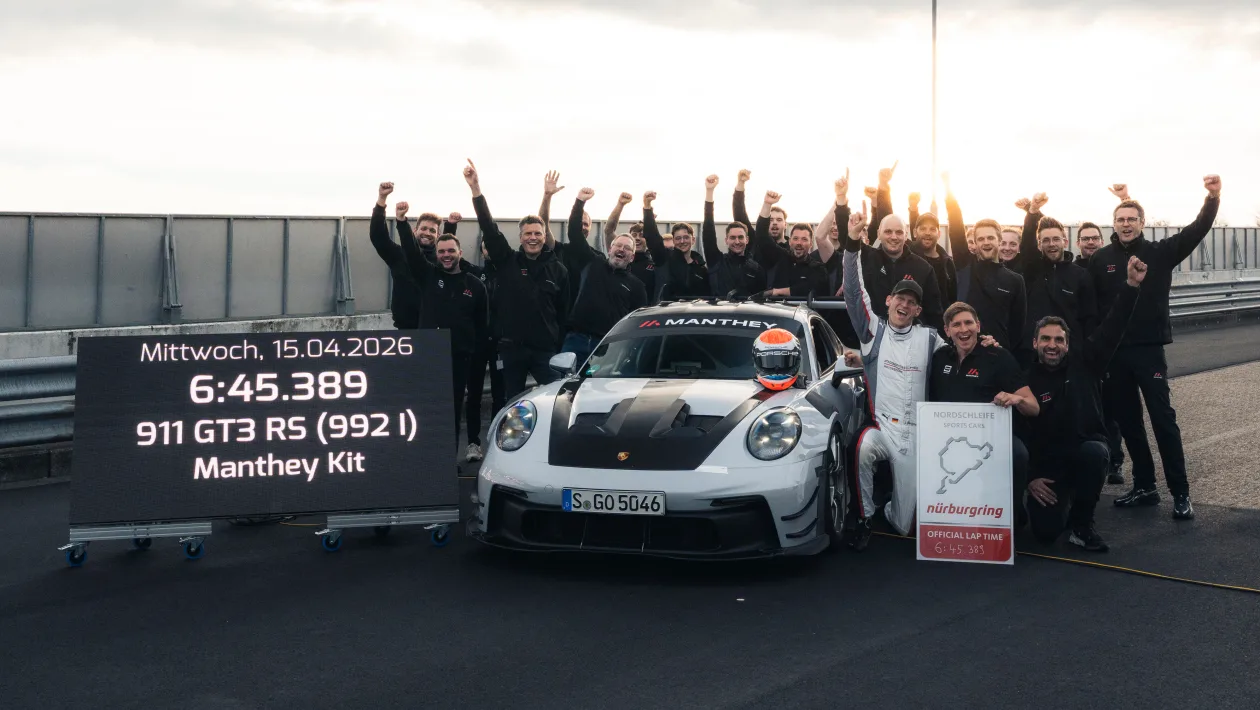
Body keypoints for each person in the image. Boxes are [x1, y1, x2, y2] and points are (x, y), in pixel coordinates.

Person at [1090, 174, 1222, 519]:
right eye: (1121, 219)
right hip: (1115, 354)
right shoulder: (1100, 259)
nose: (1126, 224)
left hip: (1148, 351)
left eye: (1132, 219)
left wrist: (1212, 198)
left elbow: (1196, 230)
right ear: (1113, 224)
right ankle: (1145, 486)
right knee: (1129, 423)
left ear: (1142, 223)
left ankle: (1180, 493)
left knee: (1163, 420)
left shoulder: (1160, 252)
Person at [1022, 255, 1148, 553]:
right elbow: (1017, 434)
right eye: (1045, 339)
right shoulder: (1023, 379)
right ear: (1035, 343)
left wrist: (1131, 285)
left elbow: (1113, 326)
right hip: (1049, 468)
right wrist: (1030, 478)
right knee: (1045, 533)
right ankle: (1060, 502)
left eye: (1059, 340)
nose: (1052, 345)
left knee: (1095, 452)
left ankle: (1082, 524)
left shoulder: (1087, 363)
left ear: (1067, 344)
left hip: (1083, 454)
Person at [840, 203, 947, 549]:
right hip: (882, 427)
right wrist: (851, 245)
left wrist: (985, 344)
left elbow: (962, 355)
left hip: (916, 434)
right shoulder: (874, 332)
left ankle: (891, 509)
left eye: (912, 302)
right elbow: (854, 293)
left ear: (918, 309)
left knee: (904, 527)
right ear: (887, 300)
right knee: (861, 448)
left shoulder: (930, 338)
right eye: (899, 298)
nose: (904, 305)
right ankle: (863, 517)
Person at [373, 185, 489, 462]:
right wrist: (399, 220)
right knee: (418, 402)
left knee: (452, 407)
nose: (446, 254)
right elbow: (411, 253)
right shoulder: (425, 273)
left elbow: (481, 323)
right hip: (420, 343)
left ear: (460, 252)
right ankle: (418, 457)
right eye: (442, 251)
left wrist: (475, 353)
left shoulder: (474, 284)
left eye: (451, 250)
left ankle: (448, 459)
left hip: (458, 352)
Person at [463, 159, 570, 402]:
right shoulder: (506, 261)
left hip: (546, 352)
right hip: (511, 350)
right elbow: (489, 228)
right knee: (510, 402)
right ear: (520, 237)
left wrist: (559, 347)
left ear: (544, 236)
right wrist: (476, 189)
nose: (533, 238)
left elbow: (564, 314)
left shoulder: (559, 270)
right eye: (528, 233)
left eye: (538, 233)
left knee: (557, 400)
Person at [930, 302, 1040, 524]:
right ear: (947, 331)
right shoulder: (939, 357)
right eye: (956, 325)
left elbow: (1033, 407)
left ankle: (1012, 513)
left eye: (968, 323)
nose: (964, 330)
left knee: (1018, 453)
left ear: (978, 326)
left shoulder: (998, 356)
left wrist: (1016, 399)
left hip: (991, 438)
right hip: (948, 438)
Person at [816, 169, 944, 330]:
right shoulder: (867, 257)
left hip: (909, 338)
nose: (894, 237)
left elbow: (934, 313)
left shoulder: (923, 268)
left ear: (906, 235)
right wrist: (841, 200)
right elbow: (847, 238)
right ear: (878, 234)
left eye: (899, 232)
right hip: (873, 336)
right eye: (888, 232)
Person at [559, 188, 648, 366]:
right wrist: (580, 202)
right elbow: (575, 233)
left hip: (610, 347)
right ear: (609, 249)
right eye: (618, 245)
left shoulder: (637, 286)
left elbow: (638, 321)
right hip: (577, 340)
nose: (621, 249)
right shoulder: (593, 262)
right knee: (565, 381)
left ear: (632, 257)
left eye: (627, 248)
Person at [1010, 193, 1098, 367]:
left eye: (1056, 239)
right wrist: (1032, 212)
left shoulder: (1081, 275)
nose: (1051, 244)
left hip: (1069, 358)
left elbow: (1089, 319)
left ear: (1065, 242)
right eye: (1046, 240)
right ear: (1039, 244)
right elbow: (1027, 243)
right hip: (1033, 358)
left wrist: (1084, 353)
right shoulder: (1032, 270)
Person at [944, 172, 1027, 350]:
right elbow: (956, 228)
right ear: (975, 243)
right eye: (981, 239)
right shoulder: (965, 265)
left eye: (990, 238)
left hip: (997, 353)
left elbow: (1018, 327)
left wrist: (1003, 349)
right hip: (964, 350)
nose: (986, 242)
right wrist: (948, 191)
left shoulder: (1015, 280)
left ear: (999, 240)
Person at [367, 186, 455, 329]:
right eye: (423, 228)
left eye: (432, 230)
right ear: (414, 230)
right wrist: (382, 200)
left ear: (438, 235)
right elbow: (378, 237)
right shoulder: (398, 255)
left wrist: (451, 226)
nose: (427, 233)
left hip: (437, 330)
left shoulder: (442, 260)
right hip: (405, 328)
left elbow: (450, 247)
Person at [700, 174, 766, 300]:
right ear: (726, 240)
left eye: (740, 237)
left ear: (747, 240)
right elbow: (708, 229)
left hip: (746, 312)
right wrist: (709, 191)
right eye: (732, 237)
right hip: (719, 311)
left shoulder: (757, 269)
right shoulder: (716, 261)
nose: (737, 241)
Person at [752, 190, 829, 298]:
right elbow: (761, 235)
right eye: (796, 238)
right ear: (790, 241)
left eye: (804, 239)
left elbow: (811, 288)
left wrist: (776, 292)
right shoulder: (780, 257)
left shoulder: (818, 268)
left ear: (811, 244)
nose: (799, 243)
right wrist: (767, 204)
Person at [641, 192, 709, 301]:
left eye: (686, 237)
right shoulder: (664, 258)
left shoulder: (701, 269)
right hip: (665, 311)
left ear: (693, 240)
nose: (682, 241)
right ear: (673, 240)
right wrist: (647, 206)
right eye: (678, 238)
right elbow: (651, 236)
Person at [908, 191, 958, 306]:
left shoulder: (948, 263)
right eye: (923, 229)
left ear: (939, 234)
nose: (927, 233)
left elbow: (953, 298)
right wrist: (913, 209)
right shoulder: (908, 257)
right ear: (915, 233)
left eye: (932, 229)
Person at [732, 169, 788, 245]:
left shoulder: (793, 246)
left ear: (785, 225)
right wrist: (741, 183)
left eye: (779, 220)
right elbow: (740, 214)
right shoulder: (754, 240)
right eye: (770, 220)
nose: (774, 223)